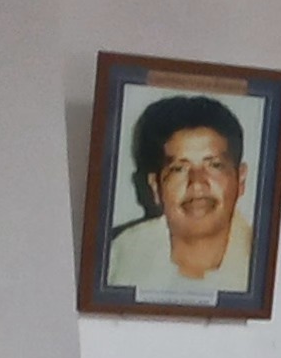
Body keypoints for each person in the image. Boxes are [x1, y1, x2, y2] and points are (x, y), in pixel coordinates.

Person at [102, 92, 256, 302]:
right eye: (179, 169)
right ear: (155, 187)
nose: (197, 183)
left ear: (241, 179)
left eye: (214, 165)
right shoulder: (118, 259)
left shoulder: (265, 264)